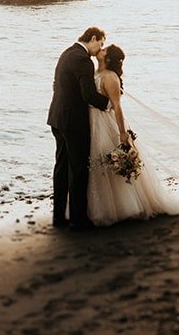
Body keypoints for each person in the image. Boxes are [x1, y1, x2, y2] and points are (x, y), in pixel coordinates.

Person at [86, 44, 179, 227]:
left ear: (108, 59)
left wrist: (122, 133)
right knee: (96, 162)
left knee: (106, 159)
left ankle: (122, 206)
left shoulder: (110, 77)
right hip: (91, 122)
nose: (101, 49)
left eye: (104, 49)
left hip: (105, 124)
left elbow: (117, 107)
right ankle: (95, 206)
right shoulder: (94, 72)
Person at [46, 26, 110, 230]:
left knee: (62, 168)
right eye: (100, 44)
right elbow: (88, 95)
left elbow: (57, 85)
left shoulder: (67, 53)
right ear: (93, 38)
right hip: (73, 122)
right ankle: (78, 218)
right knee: (79, 169)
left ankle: (58, 217)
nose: (99, 49)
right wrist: (109, 104)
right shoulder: (84, 61)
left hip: (57, 118)